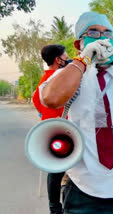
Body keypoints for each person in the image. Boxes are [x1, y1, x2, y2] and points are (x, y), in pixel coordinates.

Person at [39, 11, 113, 214]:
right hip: (85, 193)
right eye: (93, 32)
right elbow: (51, 98)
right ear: (79, 44)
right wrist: (83, 60)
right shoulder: (70, 77)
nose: (102, 38)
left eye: (108, 34)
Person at [32, 44, 69, 214]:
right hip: (66, 130)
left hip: (49, 131)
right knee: (69, 171)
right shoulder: (63, 78)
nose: (67, 58)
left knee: (55, 170)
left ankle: (54, 207)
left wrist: (46, 115)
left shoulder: (44, 79)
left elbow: (36, 102)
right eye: (65, 55)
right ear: (58, 59)